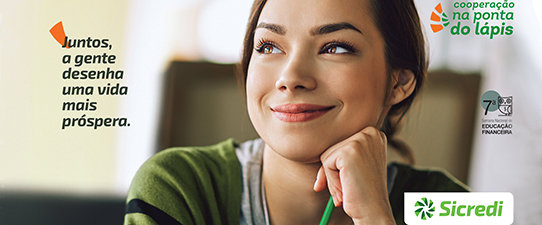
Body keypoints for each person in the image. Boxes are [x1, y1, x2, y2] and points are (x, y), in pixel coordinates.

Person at [124, 0, 469, 224]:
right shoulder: (178, 188)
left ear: (399, 81)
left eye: (334, 47)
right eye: (269, 46)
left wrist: (376, 219)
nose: (290, 77)